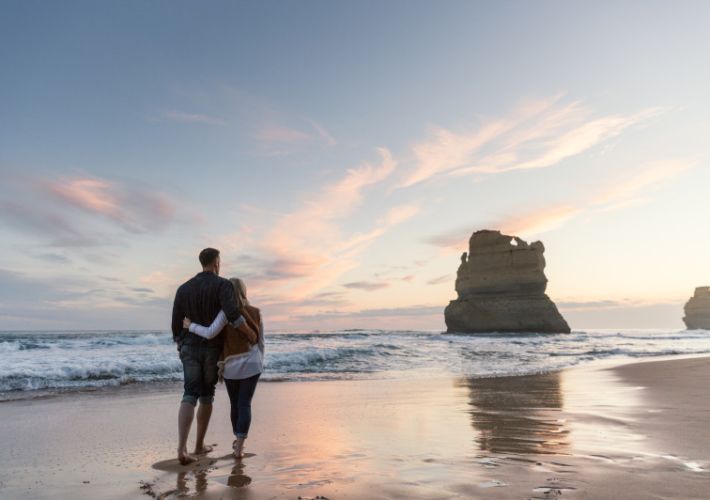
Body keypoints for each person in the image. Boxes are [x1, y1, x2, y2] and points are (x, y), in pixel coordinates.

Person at [171, 248, 251, 465]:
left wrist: (181, 344)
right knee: (207, 395)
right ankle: (198, 445)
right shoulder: (222, 285)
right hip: (212, 348)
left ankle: (181, 448)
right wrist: (249, 333)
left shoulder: (183, 289)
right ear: (216, 262)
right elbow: (232, 314)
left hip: (189, 346)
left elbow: (176, 323)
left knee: (189, 394)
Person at [183, 277, 265, 458]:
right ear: (244, 291)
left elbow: (210, 333)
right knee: (245, 404)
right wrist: (259, 361)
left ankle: (237, 439)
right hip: (252, 365)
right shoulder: (256, 312)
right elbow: (261, 342)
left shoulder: (225, 313)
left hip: (231, 367)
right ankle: (239, 446)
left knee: (235, 404)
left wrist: (190, 326)